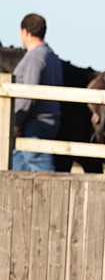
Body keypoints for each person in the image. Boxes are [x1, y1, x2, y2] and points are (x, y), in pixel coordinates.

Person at [12, 13, 63, 172]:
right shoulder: (51, 54)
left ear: (25, 32)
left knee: (43, 172)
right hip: (46, 121)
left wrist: (16, 122)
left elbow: (29, 94)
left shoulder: (35, 56)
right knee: (16, 166)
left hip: (35, 124)